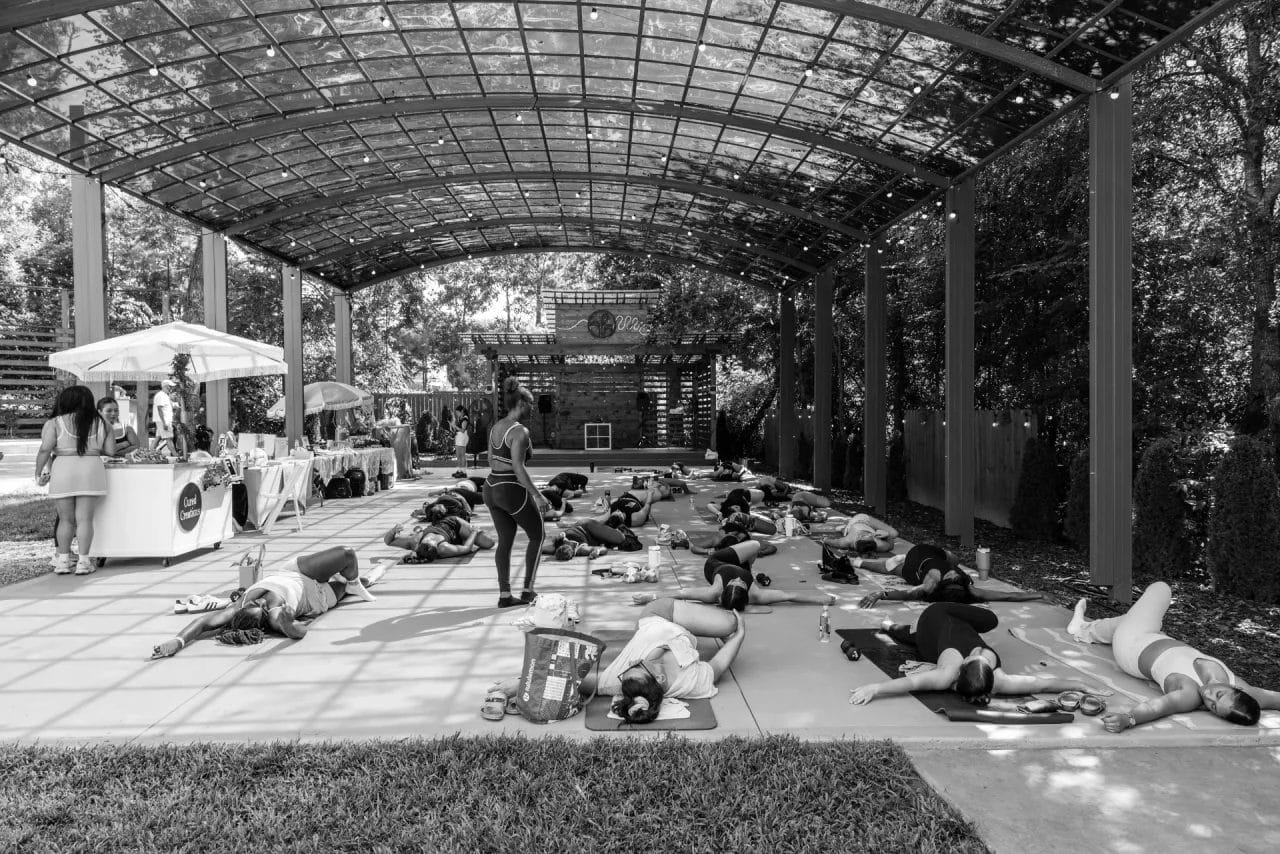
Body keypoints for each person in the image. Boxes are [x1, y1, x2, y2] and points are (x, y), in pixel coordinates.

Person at [1066, 582, 1277, 732]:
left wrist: (1128, 719)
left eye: (1212, 707)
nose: (1208, 696)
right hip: (1154, 636)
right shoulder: (1249, 695)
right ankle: (1083, 629)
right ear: (1236, 689)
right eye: (1219, 695)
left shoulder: (1189, 696)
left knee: (1160, 589)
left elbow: (1157, 707)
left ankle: (1084, 628)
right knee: (1135, 620)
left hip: (1130, 647)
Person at [849, 602, 1099, 707]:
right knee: (990, 619)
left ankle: (890, 626)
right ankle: (891, 626)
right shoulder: (996, 680)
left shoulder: (952, 675)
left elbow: (911, 682)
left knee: (912, 637)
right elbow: (1044, 685)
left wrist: (874, 688)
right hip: (936, 613)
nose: (977, 650)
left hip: (933, 630)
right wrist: (1080, 684)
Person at [149, 547, 381, 658]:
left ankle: (354, 581)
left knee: (346, 554)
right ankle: (358, 582)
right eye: (260, 608)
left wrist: (177, 641)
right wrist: (289, 623)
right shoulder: (274, 615)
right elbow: (297, 632)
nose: (260, 603)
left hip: (295, 572)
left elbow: (202, 623)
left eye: (255, 604)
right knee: (351, 582)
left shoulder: (237, 608)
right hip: (316, 595)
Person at [595, 598, 748, 723]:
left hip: (659, 615)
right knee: (731, 623)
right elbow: (718, 666)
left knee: (728, 623)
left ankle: (656, 597)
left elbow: (581, 681)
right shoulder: (689, 682)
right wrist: (739, 636)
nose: (630, 663)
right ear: (660, 678)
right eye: (638, 665)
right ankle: (704, 624)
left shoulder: (615, 679)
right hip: (681, 631)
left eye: (628, 669)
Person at [35, 385, 116, 575]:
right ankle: (83, 562)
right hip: (91, 469)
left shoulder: (54, 423)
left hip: (63, 468)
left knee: (65, 520)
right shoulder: (103, 423)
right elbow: (111, 451)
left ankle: (62, 561)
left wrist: (38, 474)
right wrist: (93, 448)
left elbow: (45, 450)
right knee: (85, 519)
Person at [483, 378, 549, 607]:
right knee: (538, 535)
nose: (532, 408)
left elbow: (491, 459)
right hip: (509, 489)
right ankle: (528, 590)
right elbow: (519, 469)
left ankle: (504, 595)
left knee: (505, 541)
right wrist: (538, 495)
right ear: (521, 403)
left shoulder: (496, 428)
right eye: (530, 403)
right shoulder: (520, 431)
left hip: (490, 487)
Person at [639, 540, 832, 611]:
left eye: (735, 581)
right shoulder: (758, 595)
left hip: (716, 562)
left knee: (752, 546)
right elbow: (789, 596)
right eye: (741, 583)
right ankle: (742, 555)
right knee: (755, 545)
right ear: (747, 593)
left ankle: (728, 545)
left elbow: (681, 594)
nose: (739, 579)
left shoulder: (713, 592)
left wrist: (651, 597)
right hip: (732, 563)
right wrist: (821, 599)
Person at [855, 543, 1043, 606]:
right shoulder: (968, 589)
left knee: (889, 568)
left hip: (916, 559)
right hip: (935, 554)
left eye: (950, 578)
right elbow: (1008, 596)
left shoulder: (931, 582)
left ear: (941, 584)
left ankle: (859, 562)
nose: (953, 574)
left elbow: (907, 594)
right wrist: (1039, 594)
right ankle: (896, 561)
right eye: (956, 578)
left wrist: (880, 594)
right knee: (955, 559)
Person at [383, 517, 495, 562]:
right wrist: (474, 531)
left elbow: (388, 541)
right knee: (489, 543)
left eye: (428, 540)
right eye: (433, 542)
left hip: (452, 522)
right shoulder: (443, 548)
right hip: (455, 530)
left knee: (487, 542)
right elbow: (467, 548)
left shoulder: (414, 541)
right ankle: (464, 537)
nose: (431, 539)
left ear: (421, 544)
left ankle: (464, 536)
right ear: (437, 548)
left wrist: (393, 530)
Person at [542, 520, 622, 560]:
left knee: (617, 536)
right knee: (620, 538)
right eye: (571, 543)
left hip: (586, 525)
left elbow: (540, 548)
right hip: (589, 532)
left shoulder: (554, 546)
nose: (568, 541)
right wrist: (598, 551)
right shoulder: (581, 549)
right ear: (574, 550)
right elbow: (603, 549)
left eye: (565, 541)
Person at [823, 512, 898, 554]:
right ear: (873, 540)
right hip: (866, 522)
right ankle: (844, 528)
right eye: (869, 535)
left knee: (847, 532)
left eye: (863, 535)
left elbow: (834, 542)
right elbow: (891, 545)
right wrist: (887, 536)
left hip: (858, 521)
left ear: (857, 539)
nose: (867, 533)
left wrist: (825, 540)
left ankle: (844, 528)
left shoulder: (847, 541)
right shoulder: (879, 545)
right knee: (894, 534)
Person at [151, 378, 178, 454]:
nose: (171, 389)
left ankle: (150, 453)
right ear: (166, 386)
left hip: (163, 420)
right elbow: (159, 409)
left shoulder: (164, 395)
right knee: (169, 438)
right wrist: (164, 423)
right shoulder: (161, 395)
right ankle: (175, 456)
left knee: (158, 438)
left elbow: (167, 406)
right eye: (170, 387)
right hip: (164, 420)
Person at [452, 407, 470, 479]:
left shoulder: (465, 419)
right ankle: (459, 470)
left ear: (462, 411)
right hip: (459, 437)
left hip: (462, 437)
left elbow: (462, 430)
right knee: (458, 455)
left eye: (457, 412)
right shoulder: (461, 419)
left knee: (462, 455)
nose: (457, 414)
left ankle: (464, 472)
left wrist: (455, 426)